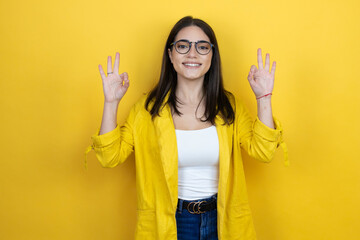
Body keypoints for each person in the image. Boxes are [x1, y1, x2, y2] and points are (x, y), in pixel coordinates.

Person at [85, 16, 288, 240]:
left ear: (212, 56)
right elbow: (109, 157)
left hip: (222, 220)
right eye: (183, 46)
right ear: (171, 54)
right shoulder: (146, 110)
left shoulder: (229, 106)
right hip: (170, 222)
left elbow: (264, 151)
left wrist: (264, 98)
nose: (192, 54)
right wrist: (111, 103)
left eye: (202, 47)